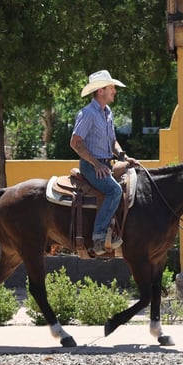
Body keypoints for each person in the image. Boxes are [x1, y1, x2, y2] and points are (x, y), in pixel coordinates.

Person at [70, 70, 136, 255]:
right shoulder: (88, 113)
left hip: (106, 164)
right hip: (91, 166)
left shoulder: (107, 112)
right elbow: (75, 142)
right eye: (111, 87)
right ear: (100, 91)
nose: (114, 91)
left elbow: (112, 141)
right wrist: (96, 164)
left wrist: (123, 156)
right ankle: (99, 237)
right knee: (114, 190)